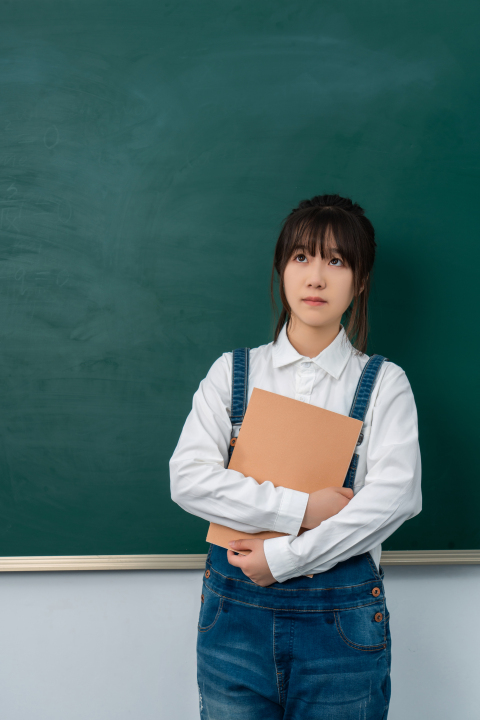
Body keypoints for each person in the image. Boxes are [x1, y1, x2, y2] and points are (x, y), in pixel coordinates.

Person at [169, 193, 422, 719]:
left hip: (341, 627)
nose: (316, 277)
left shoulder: (382, 384)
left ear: (360, 280)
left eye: (336, 261)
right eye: (302, 257)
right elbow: (189, 479)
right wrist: (301, 510)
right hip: (233, 619)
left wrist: (283, 559)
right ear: (281, 270)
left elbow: (395, 499)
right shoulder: (233, 373)